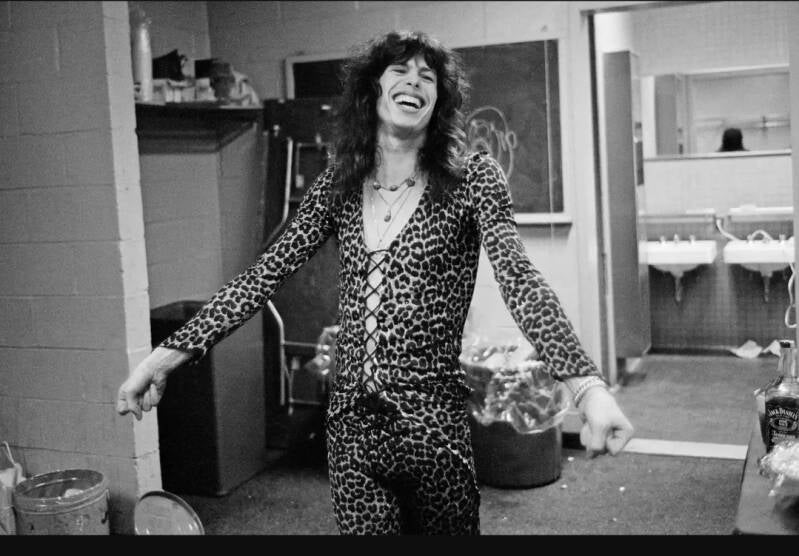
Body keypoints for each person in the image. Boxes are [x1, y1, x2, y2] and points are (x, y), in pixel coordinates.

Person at [117, 30, 634, 535]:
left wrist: (586, 388)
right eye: (400, 70)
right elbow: (262, 275)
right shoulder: (339, 183)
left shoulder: (472, 177)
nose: (415, 82)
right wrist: (165, 357)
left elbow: (520, 279)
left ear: (439, 99)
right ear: (373, 88)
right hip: (354, 434)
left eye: (428, 77)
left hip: (434, 432)